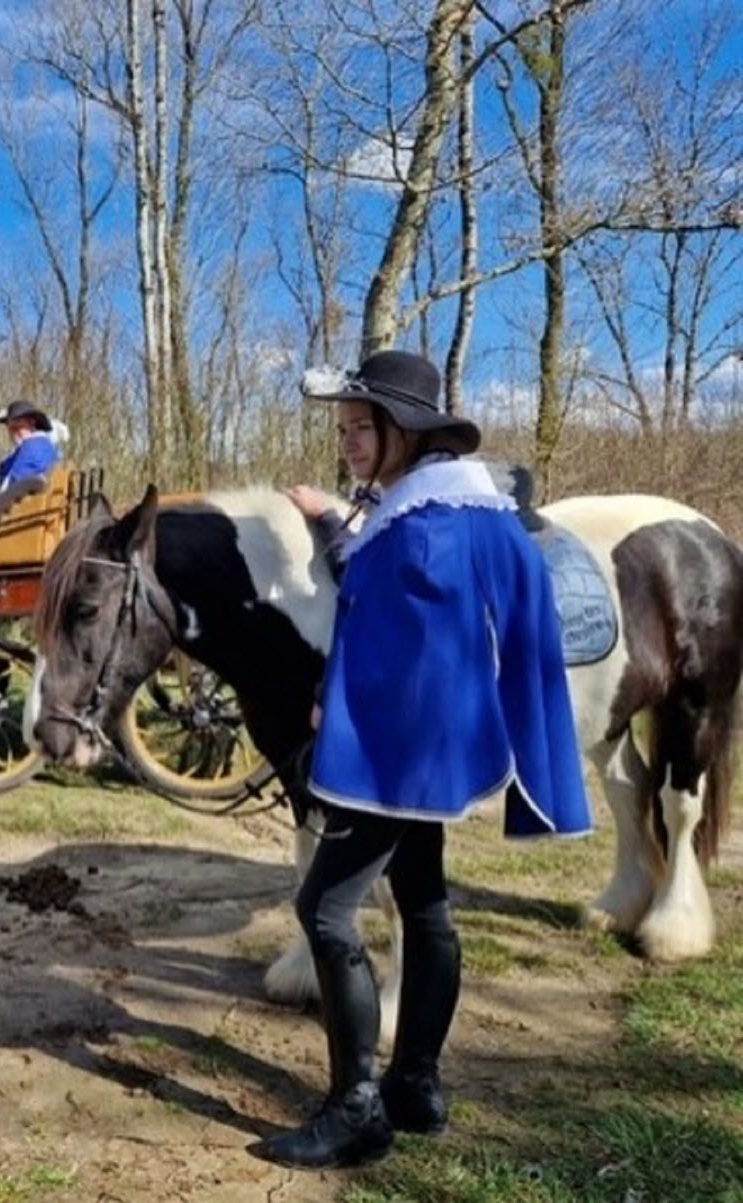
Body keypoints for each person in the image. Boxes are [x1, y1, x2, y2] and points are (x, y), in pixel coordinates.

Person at [254, 350, 593, 1169]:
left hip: (395, 747)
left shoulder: (424, 526)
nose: (348, 445)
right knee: (425, 901)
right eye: (342, 431)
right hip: (435, 751)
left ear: (401, 428)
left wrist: (336, 708)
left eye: (359, 429)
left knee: (326, 912)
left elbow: (400, 641)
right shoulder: (458, 512)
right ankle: (416, 1085)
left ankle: (356, 1108)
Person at [0, 399, 63, 516]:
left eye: (18, 427)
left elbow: (9, 493)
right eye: (11, 429)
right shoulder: (23, 451)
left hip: (25, 518)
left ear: (31, 423)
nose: (14, 434)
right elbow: (2, 486)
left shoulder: (33, 447)